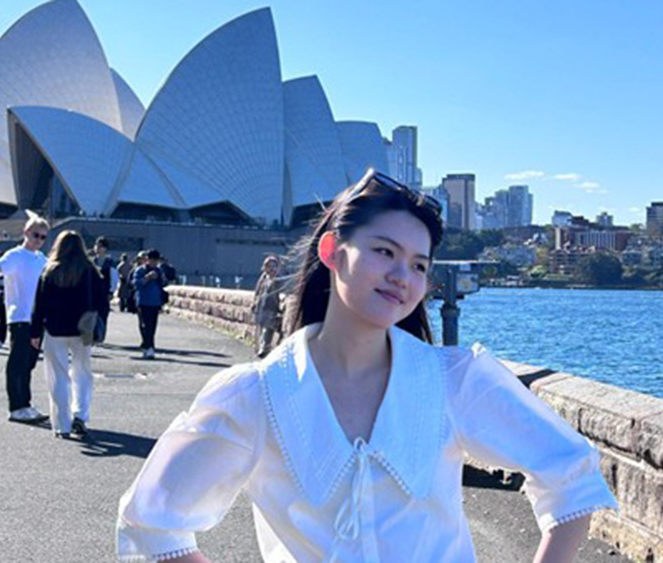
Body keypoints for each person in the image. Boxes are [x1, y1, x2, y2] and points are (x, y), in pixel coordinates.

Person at [115, 169, 619, 562]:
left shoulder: (451, 380)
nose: (403, 276)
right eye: (385, 252)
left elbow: (570, 471)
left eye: (419, 265)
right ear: (333, 250)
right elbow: (153, 522)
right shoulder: (257, 395)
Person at [31, 231, 109, 438]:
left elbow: (39, 304)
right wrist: (100, 325)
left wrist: (35, 330)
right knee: (82, 372)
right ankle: (80, 415)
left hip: (55, 328)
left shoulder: (49, 271)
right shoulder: (91, 270)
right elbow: (103, 301)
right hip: (83, 329)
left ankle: (62, 424)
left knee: (58, 376)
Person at [0, 211, 51, 424]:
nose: (39, 240)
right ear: (26, 232)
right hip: (19, 316)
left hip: (36, 318)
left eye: (43, 237)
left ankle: (25, 404)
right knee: (18, 362)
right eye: (36, 235)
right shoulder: (15, 255)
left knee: (29, 363)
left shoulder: (41, 258)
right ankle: (16, 407)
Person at [132, 249, 166, 359]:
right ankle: (147, 346)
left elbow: (163, 284)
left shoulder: (159, 271)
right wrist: (147, 278)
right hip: (143, 301)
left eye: (156, 261)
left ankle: (149, 347)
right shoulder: (140, 270)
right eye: (152, 260)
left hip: (155, 302)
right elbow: (136, 284)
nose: (154, 263)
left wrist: (159, 278)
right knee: (144, 325)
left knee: (152, 325)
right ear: (147, 259)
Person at [252, 255, 285, 357]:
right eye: (269, 266)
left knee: (268, 329)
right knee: (261, 329)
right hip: (262, 308)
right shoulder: (263, 279)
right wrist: (254, 303)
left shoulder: (279, 280)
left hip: (273, 309)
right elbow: (257, 292)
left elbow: (283, 293)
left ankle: (265, 348)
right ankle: (261, 347)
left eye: (274, 266)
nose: (272, 269)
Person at [92, 237, 118, 338]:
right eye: (96, 246)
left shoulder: (110, 262)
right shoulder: (92, 262)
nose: (97, 248)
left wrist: (111, 291)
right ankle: (93, 334)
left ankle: (100, 334)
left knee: (103, 314)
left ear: (105, 248)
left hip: (104, 292)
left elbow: (114, 278)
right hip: (93, 292)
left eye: (100, 246)